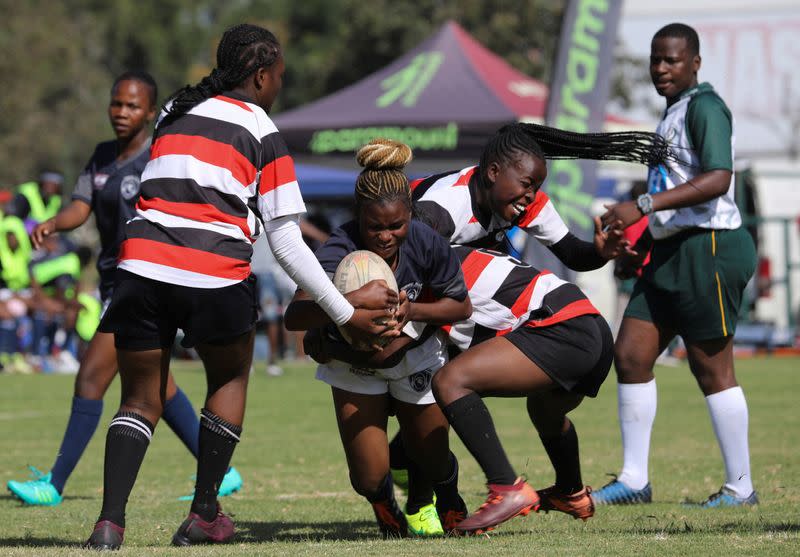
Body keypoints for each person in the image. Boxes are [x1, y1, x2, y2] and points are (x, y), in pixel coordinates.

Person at [82, 24, 396, 550]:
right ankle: (205, 513)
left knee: (137, 401)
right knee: (229, 379)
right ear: (260, 75)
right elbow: (288, 243)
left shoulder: (173, 113)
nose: (279, 87)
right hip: (213, 274)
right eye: (279, 77)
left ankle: (109, 524)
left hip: (139, 268)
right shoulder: (262, 129)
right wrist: (345, 313)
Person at [390, 122, 676, 502]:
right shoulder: (443, 210)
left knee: (456, 390)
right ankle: (428, 488)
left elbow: (571, 252)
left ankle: (465, 495)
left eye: (536, 187)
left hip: (456, 307)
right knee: (428, 400)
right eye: (526, 185)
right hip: (412, 296)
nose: (531, 196)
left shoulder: (520, 197)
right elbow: (399, 259)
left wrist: (600, 253)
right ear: (493, 172)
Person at [6, 71, 242, 506]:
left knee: (92, 374)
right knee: (156, 384)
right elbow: (82, 205)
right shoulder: (101, 157)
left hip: (145, 281)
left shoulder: (158, 156)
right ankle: (222, 470)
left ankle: (54, 484)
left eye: (132, 106)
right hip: (116, 282)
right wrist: (54, 223)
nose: (121, 112)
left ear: (151, 112)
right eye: (116, 103)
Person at [593, 23, 758, 507]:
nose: (661, 69)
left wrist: (643, 206)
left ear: (695, 63)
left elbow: (718, 179)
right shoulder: (673, 111)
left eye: (672, 60)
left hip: (710, 246)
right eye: (655, 60)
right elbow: (675, 190)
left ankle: (741, 487)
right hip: (671, 250)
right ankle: (634, 481)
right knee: (630, 355)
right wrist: (639, 242)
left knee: (712, 370)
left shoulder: (707, 106)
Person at [285, 138, 472, 538]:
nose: (386, 236)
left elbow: (460, 306)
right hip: (355, 365)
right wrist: (349, 302)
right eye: (375, 226)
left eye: (396, 225)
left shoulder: (427, 243)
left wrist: (413, 311)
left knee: (435, 459)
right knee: (369, 478)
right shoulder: (339, 247)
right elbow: (294, 314)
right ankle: (387, 509)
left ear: (410, 215)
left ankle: (451, 501)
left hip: (416, 359)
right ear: (358, 216)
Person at [423, 245, 613, 534]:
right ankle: (570, 492)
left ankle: (505, 487)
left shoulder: (427, 268)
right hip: (591, 324)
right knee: (544, 409)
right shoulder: (454, 252)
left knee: (450, 381)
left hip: (562, 328)